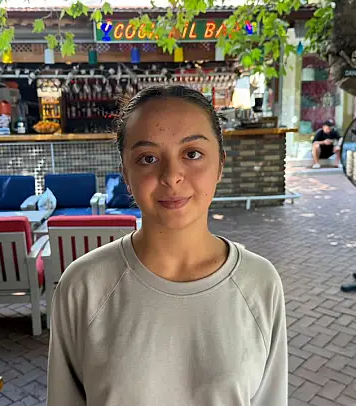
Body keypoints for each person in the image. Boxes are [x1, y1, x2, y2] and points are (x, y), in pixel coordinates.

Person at [47, 85, 288, 405]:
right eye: (148, 158)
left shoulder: (259, 282)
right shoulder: (84, 286)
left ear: (220, 164)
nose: (172, 175)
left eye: (192, 154)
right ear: (126, 174)